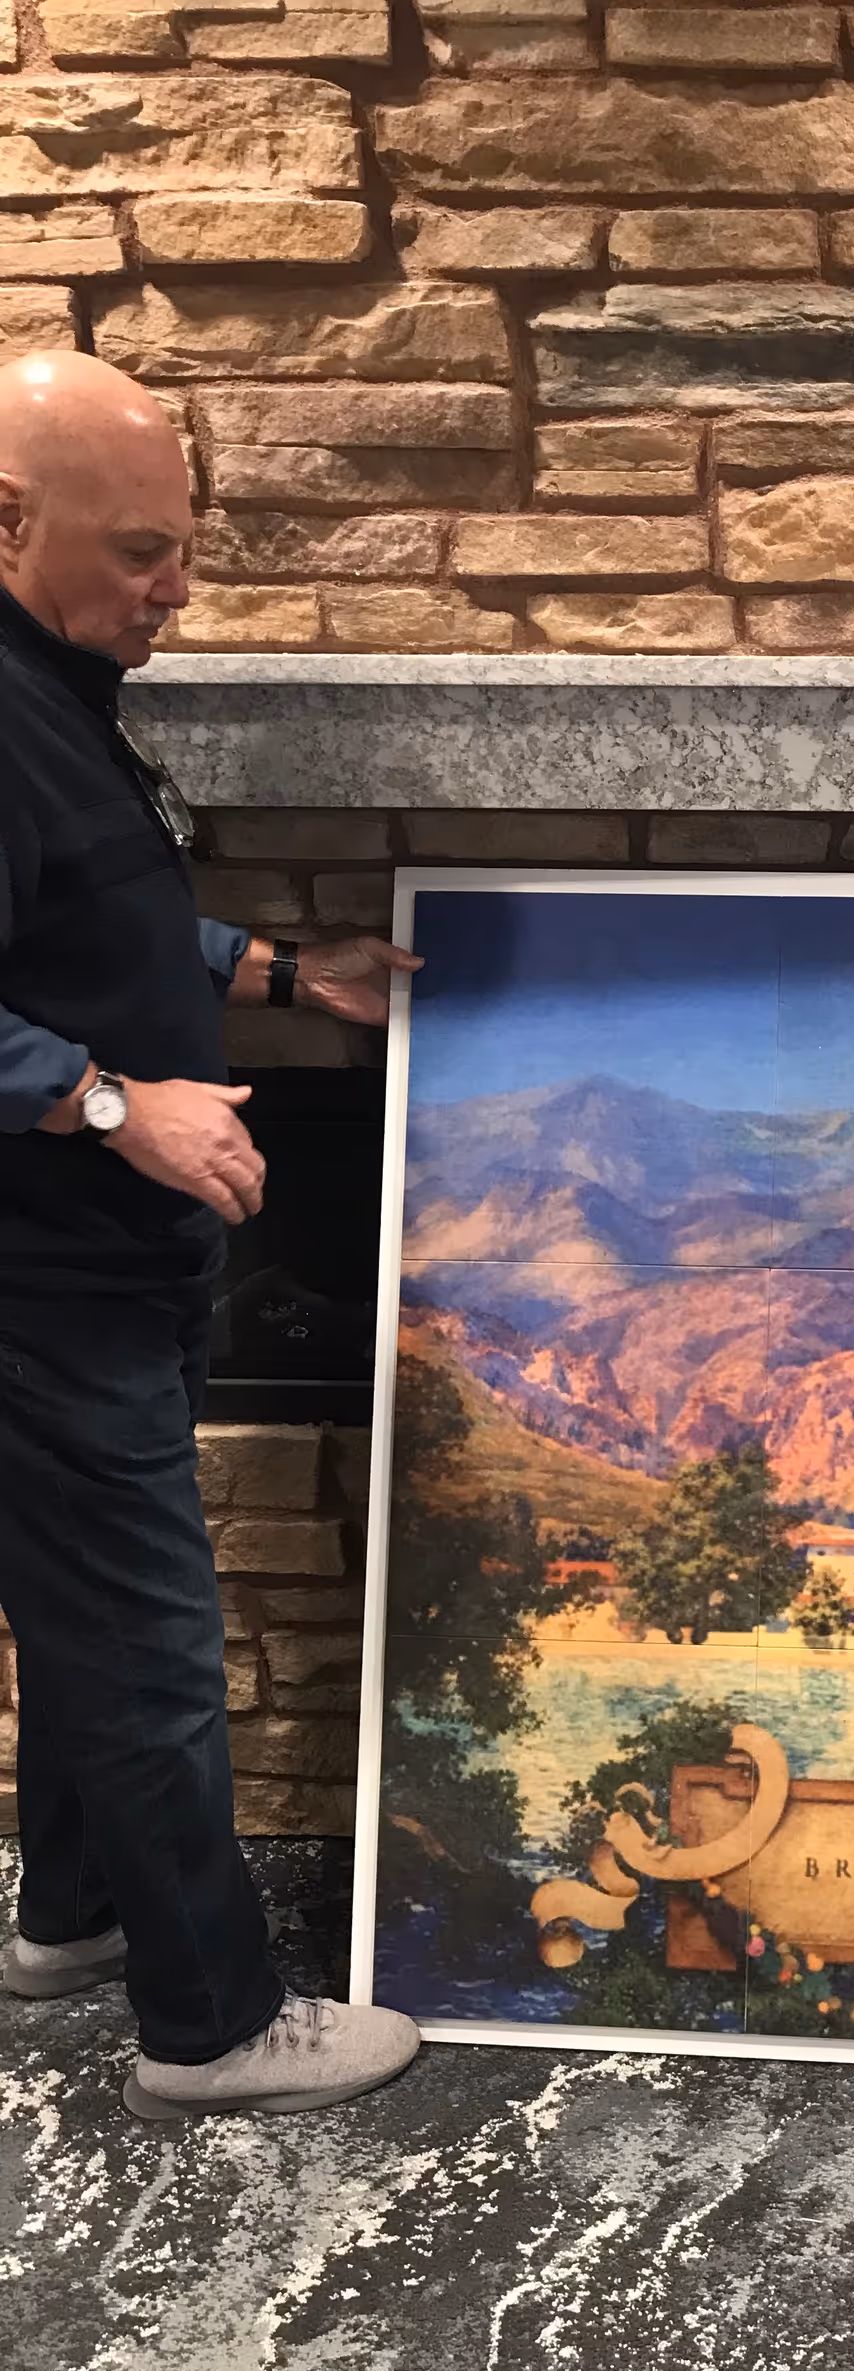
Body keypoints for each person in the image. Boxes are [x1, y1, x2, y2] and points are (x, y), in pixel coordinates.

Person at [0, 350, 422, 2121]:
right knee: (160, 1644)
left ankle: (73, 1918)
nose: (179, 591)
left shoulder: (54, 683)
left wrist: (268, 974)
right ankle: (212, 2025)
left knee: (84, 1609)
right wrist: (110, 1104)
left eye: (186, 551)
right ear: (8, 522)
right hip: (45, 1270)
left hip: (107, 1256)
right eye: (145, 552)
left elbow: (92, 919)